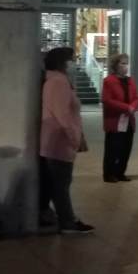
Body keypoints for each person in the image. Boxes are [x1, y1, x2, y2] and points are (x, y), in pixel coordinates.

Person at [39, 47, 93, 234]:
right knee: (61, 184)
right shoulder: (58, 82)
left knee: (58, 183)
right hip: (59, 142)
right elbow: (62, 115)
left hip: (58, 141)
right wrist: (75, 137)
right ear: (62, 62)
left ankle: (63, 218)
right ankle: (68, 222)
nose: (74, 63)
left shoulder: (59, 81)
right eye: (72, 59)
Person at [101, 53, 138, 184]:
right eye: (122, 63)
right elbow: (107, 100)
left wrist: (133, 107)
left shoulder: (130, 80)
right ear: (115, 65)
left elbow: (136, 98)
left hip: (129, 120)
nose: (125, 66)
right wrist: (126, 107)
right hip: (115, 120)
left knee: (126, 148)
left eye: (127, 63)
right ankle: (109, 174)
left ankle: (120, 172)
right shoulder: (109, 81)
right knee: (113, 148)